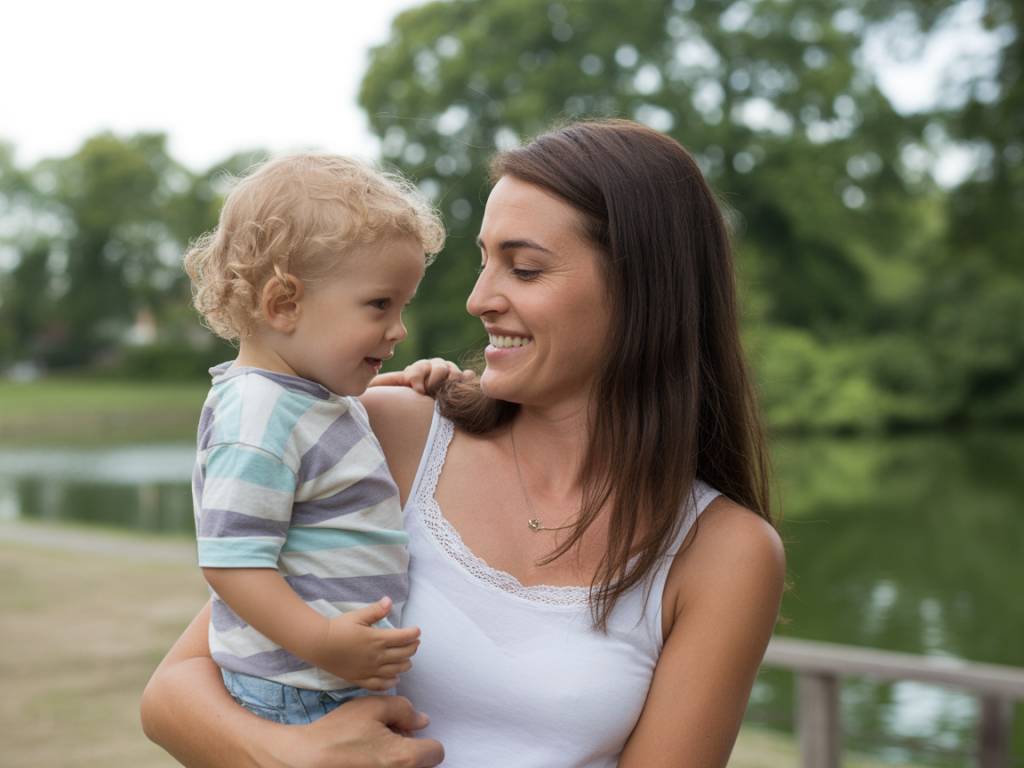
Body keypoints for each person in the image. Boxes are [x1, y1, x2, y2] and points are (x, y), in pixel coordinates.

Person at [142, 119, 785, 768]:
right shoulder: (385, 430)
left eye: (524, 269)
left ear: (643, 288)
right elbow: (173, 693)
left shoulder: (726, 553)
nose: (479, 299)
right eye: (484, 260)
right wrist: (291, 757)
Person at [181, 153, 457, 725]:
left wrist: (403, 381)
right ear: (285, 303)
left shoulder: (303, 397)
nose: (399, 328)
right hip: (297, 689)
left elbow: (329, 427)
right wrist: (324, 641)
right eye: (380, 305)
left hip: (320, 682)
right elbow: (231, 563)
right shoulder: (257, 417)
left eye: (402, 306)